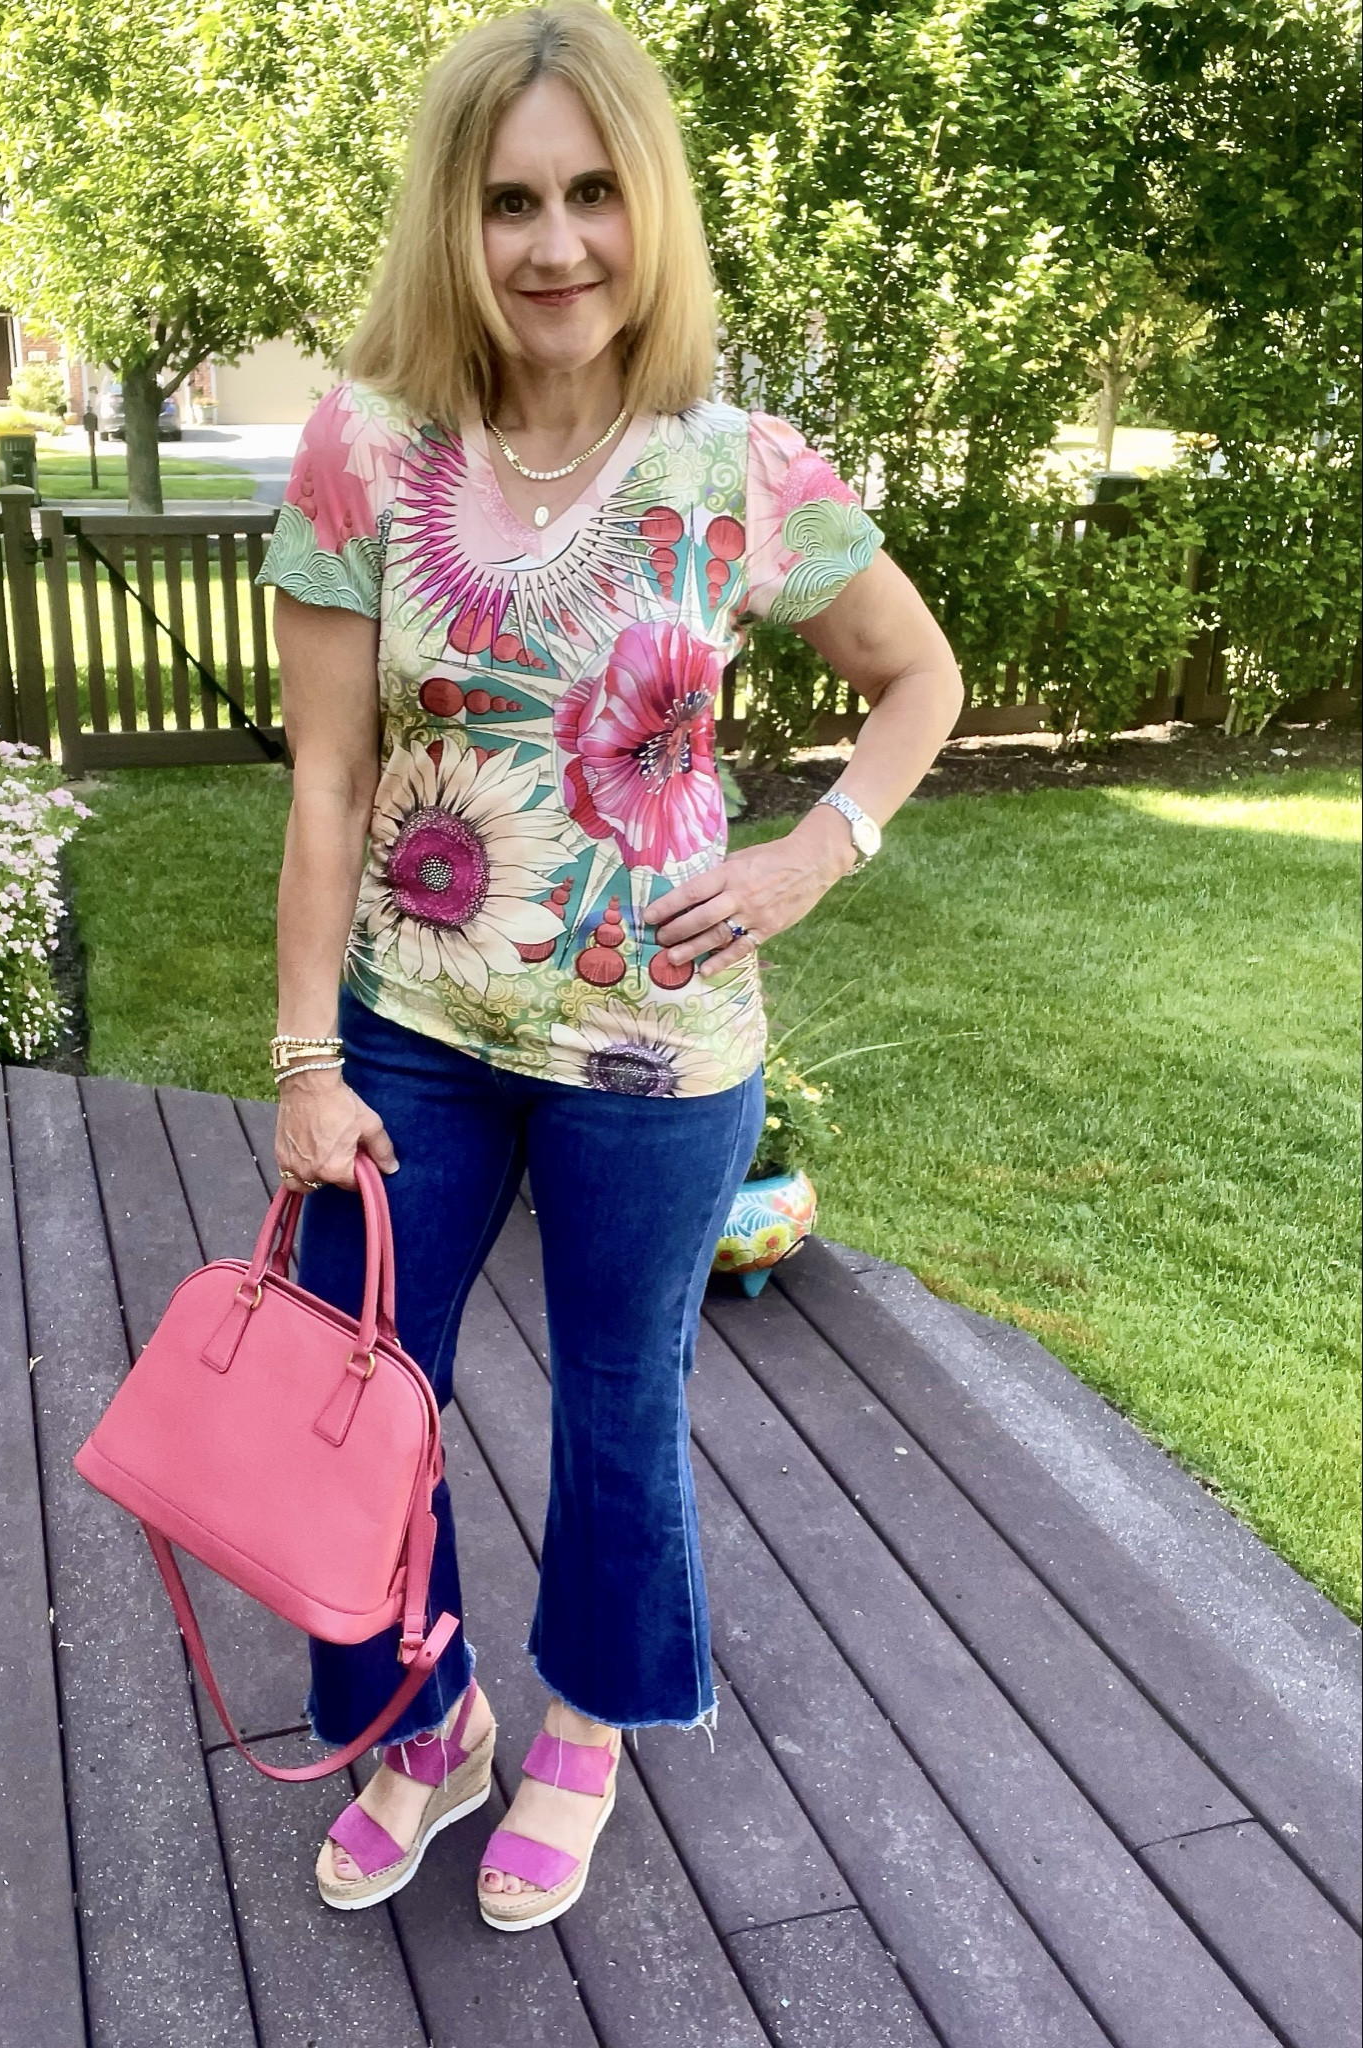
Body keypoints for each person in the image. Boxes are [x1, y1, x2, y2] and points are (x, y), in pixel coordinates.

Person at [257, 1, 963, 1933]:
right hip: (412, 1027)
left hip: (660, 1048)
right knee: (357, 1383)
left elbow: (918, 678)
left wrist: (819, 851)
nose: (554, 243)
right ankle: (422, 1714)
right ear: (451, 223)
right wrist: (305, 1055)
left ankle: (585, 1725)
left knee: (613, 1396)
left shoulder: (735, 467)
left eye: (591, 195)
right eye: (509, 201)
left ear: (644, 212)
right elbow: (323, 786)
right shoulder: (362, 454)